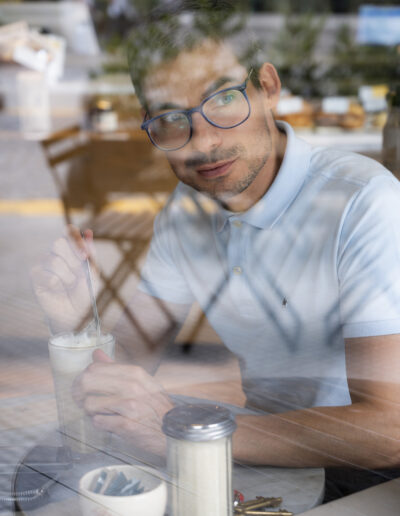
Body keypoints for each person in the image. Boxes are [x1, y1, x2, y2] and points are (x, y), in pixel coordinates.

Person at [33, 3, 400, 500]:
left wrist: (183, 432)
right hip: (263, 462)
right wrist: (79, 326)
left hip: (365, 480)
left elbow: (389, 430)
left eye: (223, 99)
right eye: (171, 117)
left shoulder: (362, 202)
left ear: (267, 88)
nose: (203, 141)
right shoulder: (187, 212)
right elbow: (130, 360)